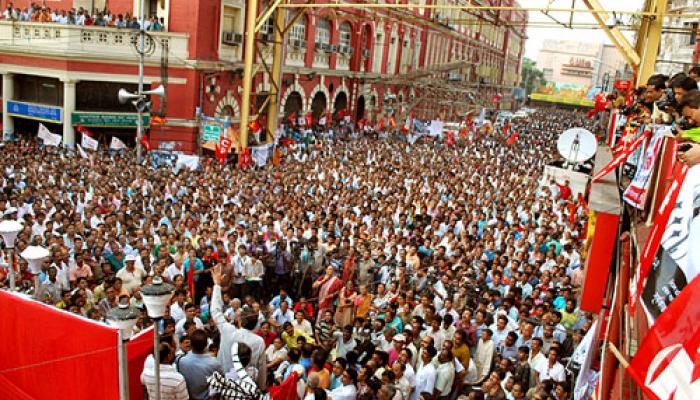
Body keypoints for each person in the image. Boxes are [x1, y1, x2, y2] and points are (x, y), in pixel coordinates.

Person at [176, 329, 223, 400]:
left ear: (191, 344)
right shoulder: (214, 363)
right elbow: (221, 383)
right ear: (206, 344)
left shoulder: (180, 360)